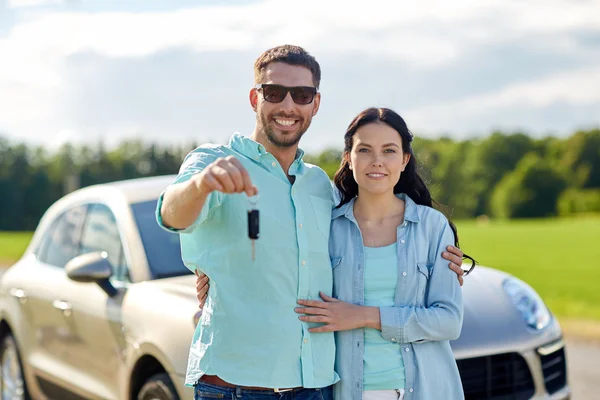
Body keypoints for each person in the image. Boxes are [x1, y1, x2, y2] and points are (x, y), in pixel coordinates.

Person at [159, 45, 466, 400]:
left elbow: (370, 238)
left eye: (301, 95)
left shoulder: (321, 188)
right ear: (254, 98)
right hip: (236, 387)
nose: (288, 106)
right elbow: (171, 213)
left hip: (315, 387)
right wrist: (201, 184)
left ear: (315, 104)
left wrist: (447, 265)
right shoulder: (214, 161)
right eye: (274, 92)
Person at [294, 107, 472, 399]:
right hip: (349, 390)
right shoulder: (327, 229)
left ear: (404, 160)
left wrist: (364, 316)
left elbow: (449, 321)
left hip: (425, 389)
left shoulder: (431, 227)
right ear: (348, 158)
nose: (377, 161)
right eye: (364, 150)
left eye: (389, 151)